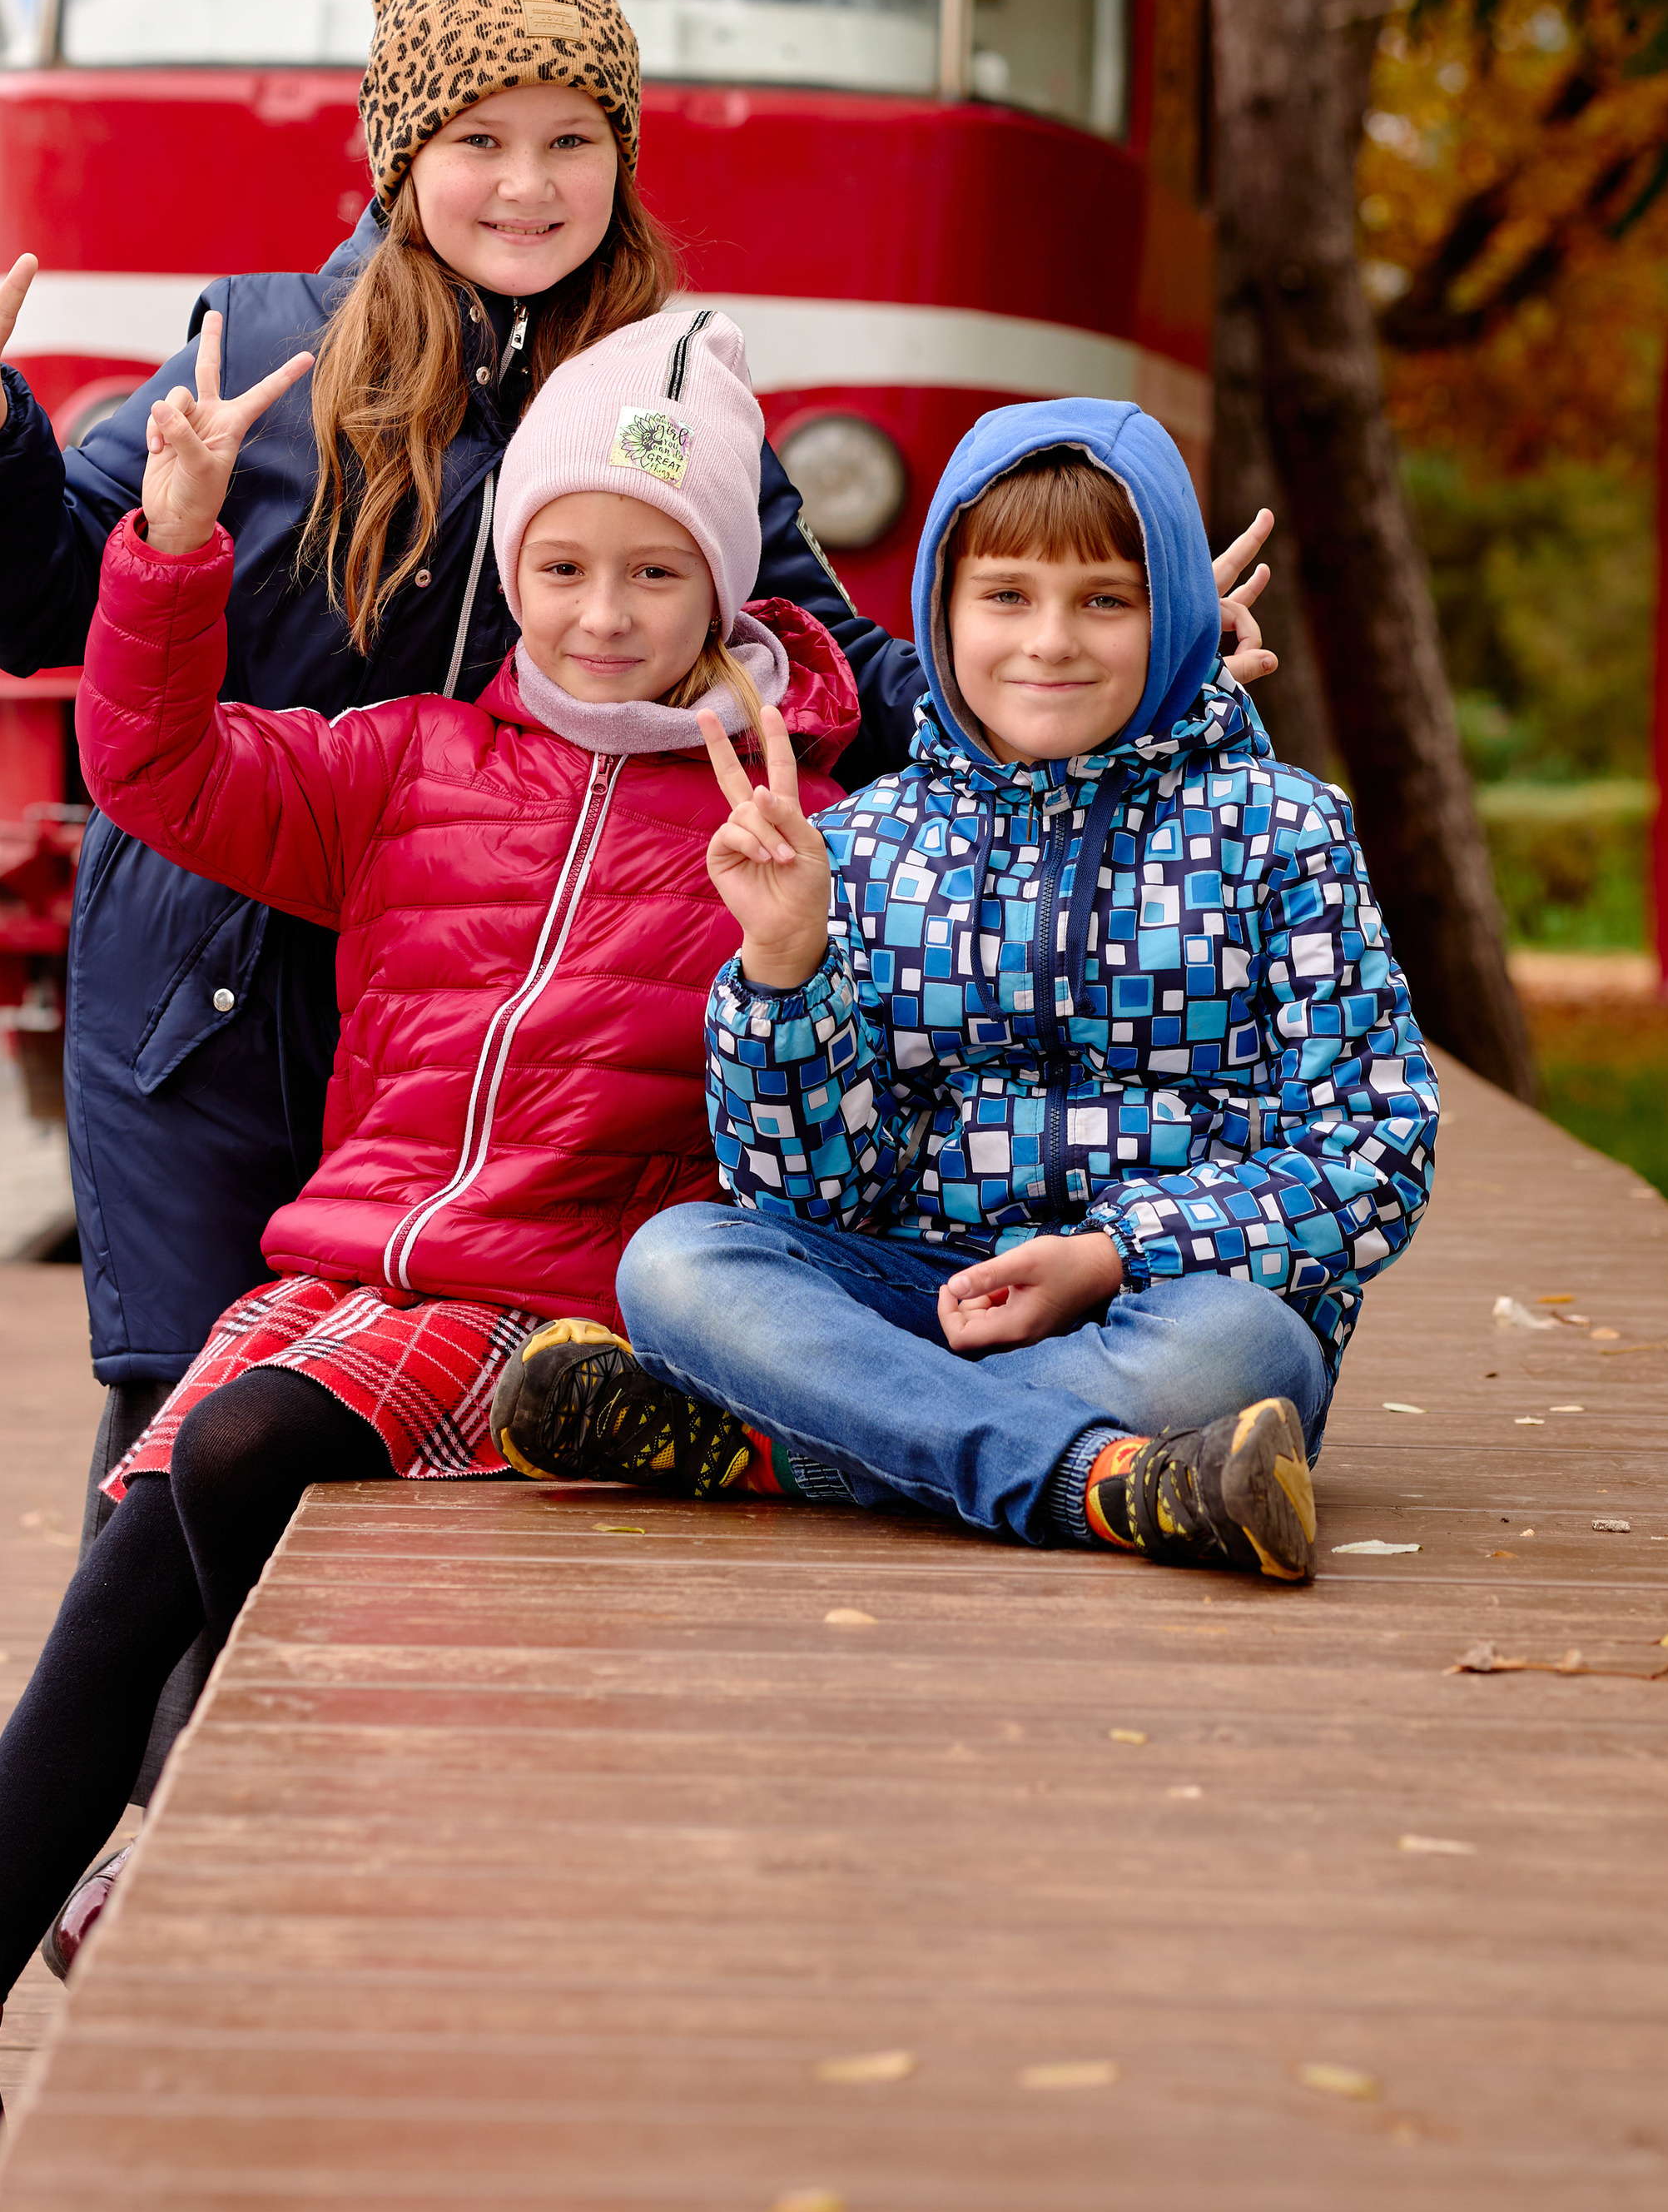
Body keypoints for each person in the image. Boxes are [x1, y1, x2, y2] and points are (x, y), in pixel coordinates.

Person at [0, 0, 1281, 1668]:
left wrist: (1109, 673)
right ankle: (138, 1805)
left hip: (492, 1011)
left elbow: (829, 668)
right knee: (180, 1444)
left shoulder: (665, 396)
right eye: (476, 140)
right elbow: (52, 605)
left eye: (569, 141)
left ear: (622, 154)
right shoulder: (262, 351)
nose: (524, 186)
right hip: (223, 989)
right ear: (400, 156)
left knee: (416, 1461)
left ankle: (335, 1799)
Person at [0, 305, 858, 2212]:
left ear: (724, 584)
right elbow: (158, 771)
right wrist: (172, 546)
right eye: (559, 567)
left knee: (223, 1447)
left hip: (570, 1307)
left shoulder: (794, 818)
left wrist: (798, 940)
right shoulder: (411, 761)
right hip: (352, 1272)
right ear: (510, 572)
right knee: (146, 1516)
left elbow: (841, 1111)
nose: (601, 614)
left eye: (654, 573)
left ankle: (136, 1874)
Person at [491, 398, 1439, 1580]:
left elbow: (1373, 1148)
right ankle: (1103, 1480)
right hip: (912, 1287)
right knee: (677, 1261)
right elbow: (813, 1197)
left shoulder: (1282, 831)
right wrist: (785, 968)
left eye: (1106, 600)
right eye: (1006, 596)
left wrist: (1111, 1255)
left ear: (1177, 615)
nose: (1051, 641)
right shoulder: (869, 842)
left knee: (1243, 1352)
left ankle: (799, 1446)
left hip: (1160, 1303)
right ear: (940, 610)